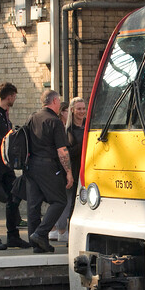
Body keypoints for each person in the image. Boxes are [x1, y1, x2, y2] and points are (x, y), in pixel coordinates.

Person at [0, 82, 31, 251]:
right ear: (9, 97)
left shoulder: (4, 116)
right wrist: (3, 150)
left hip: (5, 166)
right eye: (14, 96)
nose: (14, 99)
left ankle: (13, 236)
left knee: (14, 196)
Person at [26, 89, 73, 253]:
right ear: (54, 101)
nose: (60, 104)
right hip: (48, 166)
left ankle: (38, 244)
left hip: (31, 166)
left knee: (34, 204)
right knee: (60, 201)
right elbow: (62, 150)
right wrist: (68, 172)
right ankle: (40, 233)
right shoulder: (54, 121)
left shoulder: (33, 117)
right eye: (59, 101)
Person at [49, 96, 87, 243]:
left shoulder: (89, 127)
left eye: (83, 108)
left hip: (87, 171)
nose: (81, 112)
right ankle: (63, 230)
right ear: (72, 110)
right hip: (73, 171)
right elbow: (67, 152)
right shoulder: (67, 130)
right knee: (69, 202)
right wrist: (84, 144)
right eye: (79, 109)